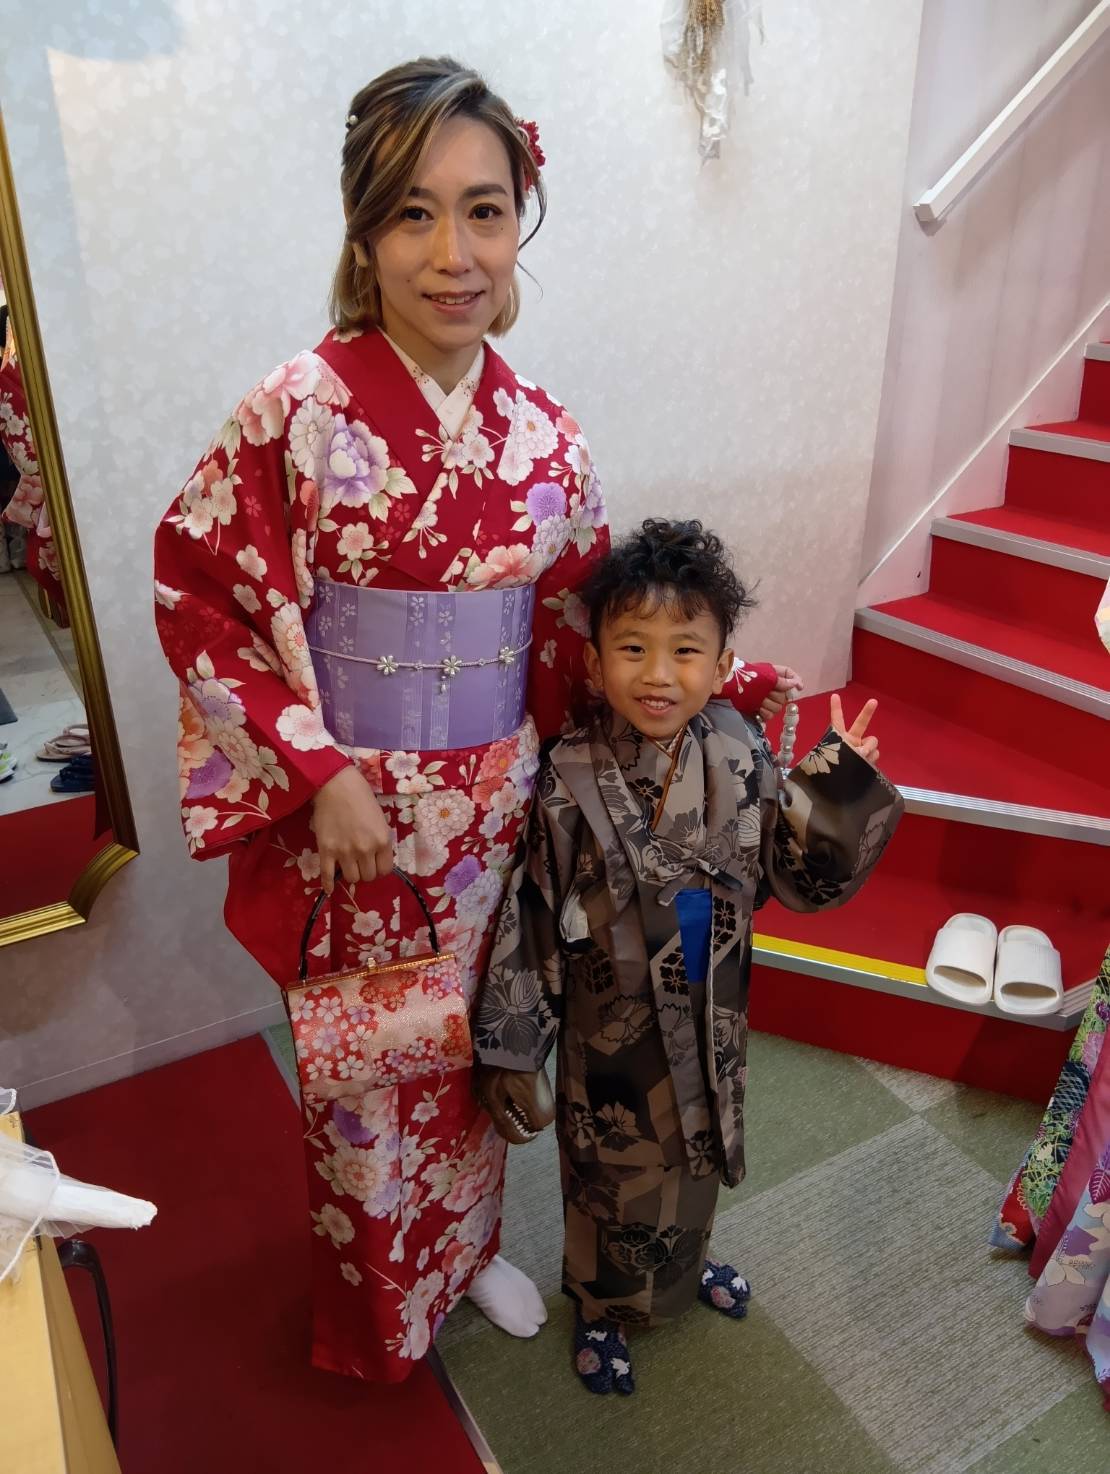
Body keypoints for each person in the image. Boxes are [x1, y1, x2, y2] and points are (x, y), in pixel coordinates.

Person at [154, 58, 792, 1383]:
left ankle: (475, 1248)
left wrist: (710, 685)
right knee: (366, 1064)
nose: (453, 254)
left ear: (518, 224)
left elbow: (579, 629)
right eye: (413, 213)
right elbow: (203, 594)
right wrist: (313, 770)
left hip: (497, 810)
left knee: (484, 1041)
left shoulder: (545, 436)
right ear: (363, 230)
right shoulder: (295, 411)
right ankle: (378, 1308)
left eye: (484, 212)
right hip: (351, 817)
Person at [475, 518, 904, 1396]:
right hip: (611, 1029)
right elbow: (533, 909)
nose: (659, 674)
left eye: (685, 650)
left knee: (697, 1151)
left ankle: (685, 1266)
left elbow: (790, 873)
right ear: (594, 660)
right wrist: (515, 1047)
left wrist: (838, 788)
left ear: (720, 662)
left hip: (712, 1006)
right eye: (633, 647)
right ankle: (601, 1305)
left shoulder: (739, 748)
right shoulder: (568, 774)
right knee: (613, 1172)